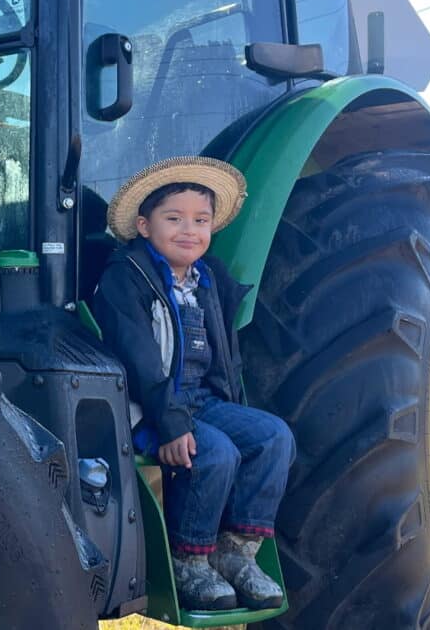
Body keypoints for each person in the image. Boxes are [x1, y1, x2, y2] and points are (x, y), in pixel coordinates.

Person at [93, 156, 295, 611]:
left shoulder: (208, 279)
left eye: (201, 221)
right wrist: (169, 424)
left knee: (273, 437)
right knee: (216, 452)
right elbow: (139, 359)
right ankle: (189, 557)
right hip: (148, 404)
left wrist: (230, 405)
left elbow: (223, 357)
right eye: (174, 219)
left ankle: (234, 551)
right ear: (144, 226)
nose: (189, 230)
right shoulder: (128, 277)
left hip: (202, 401)